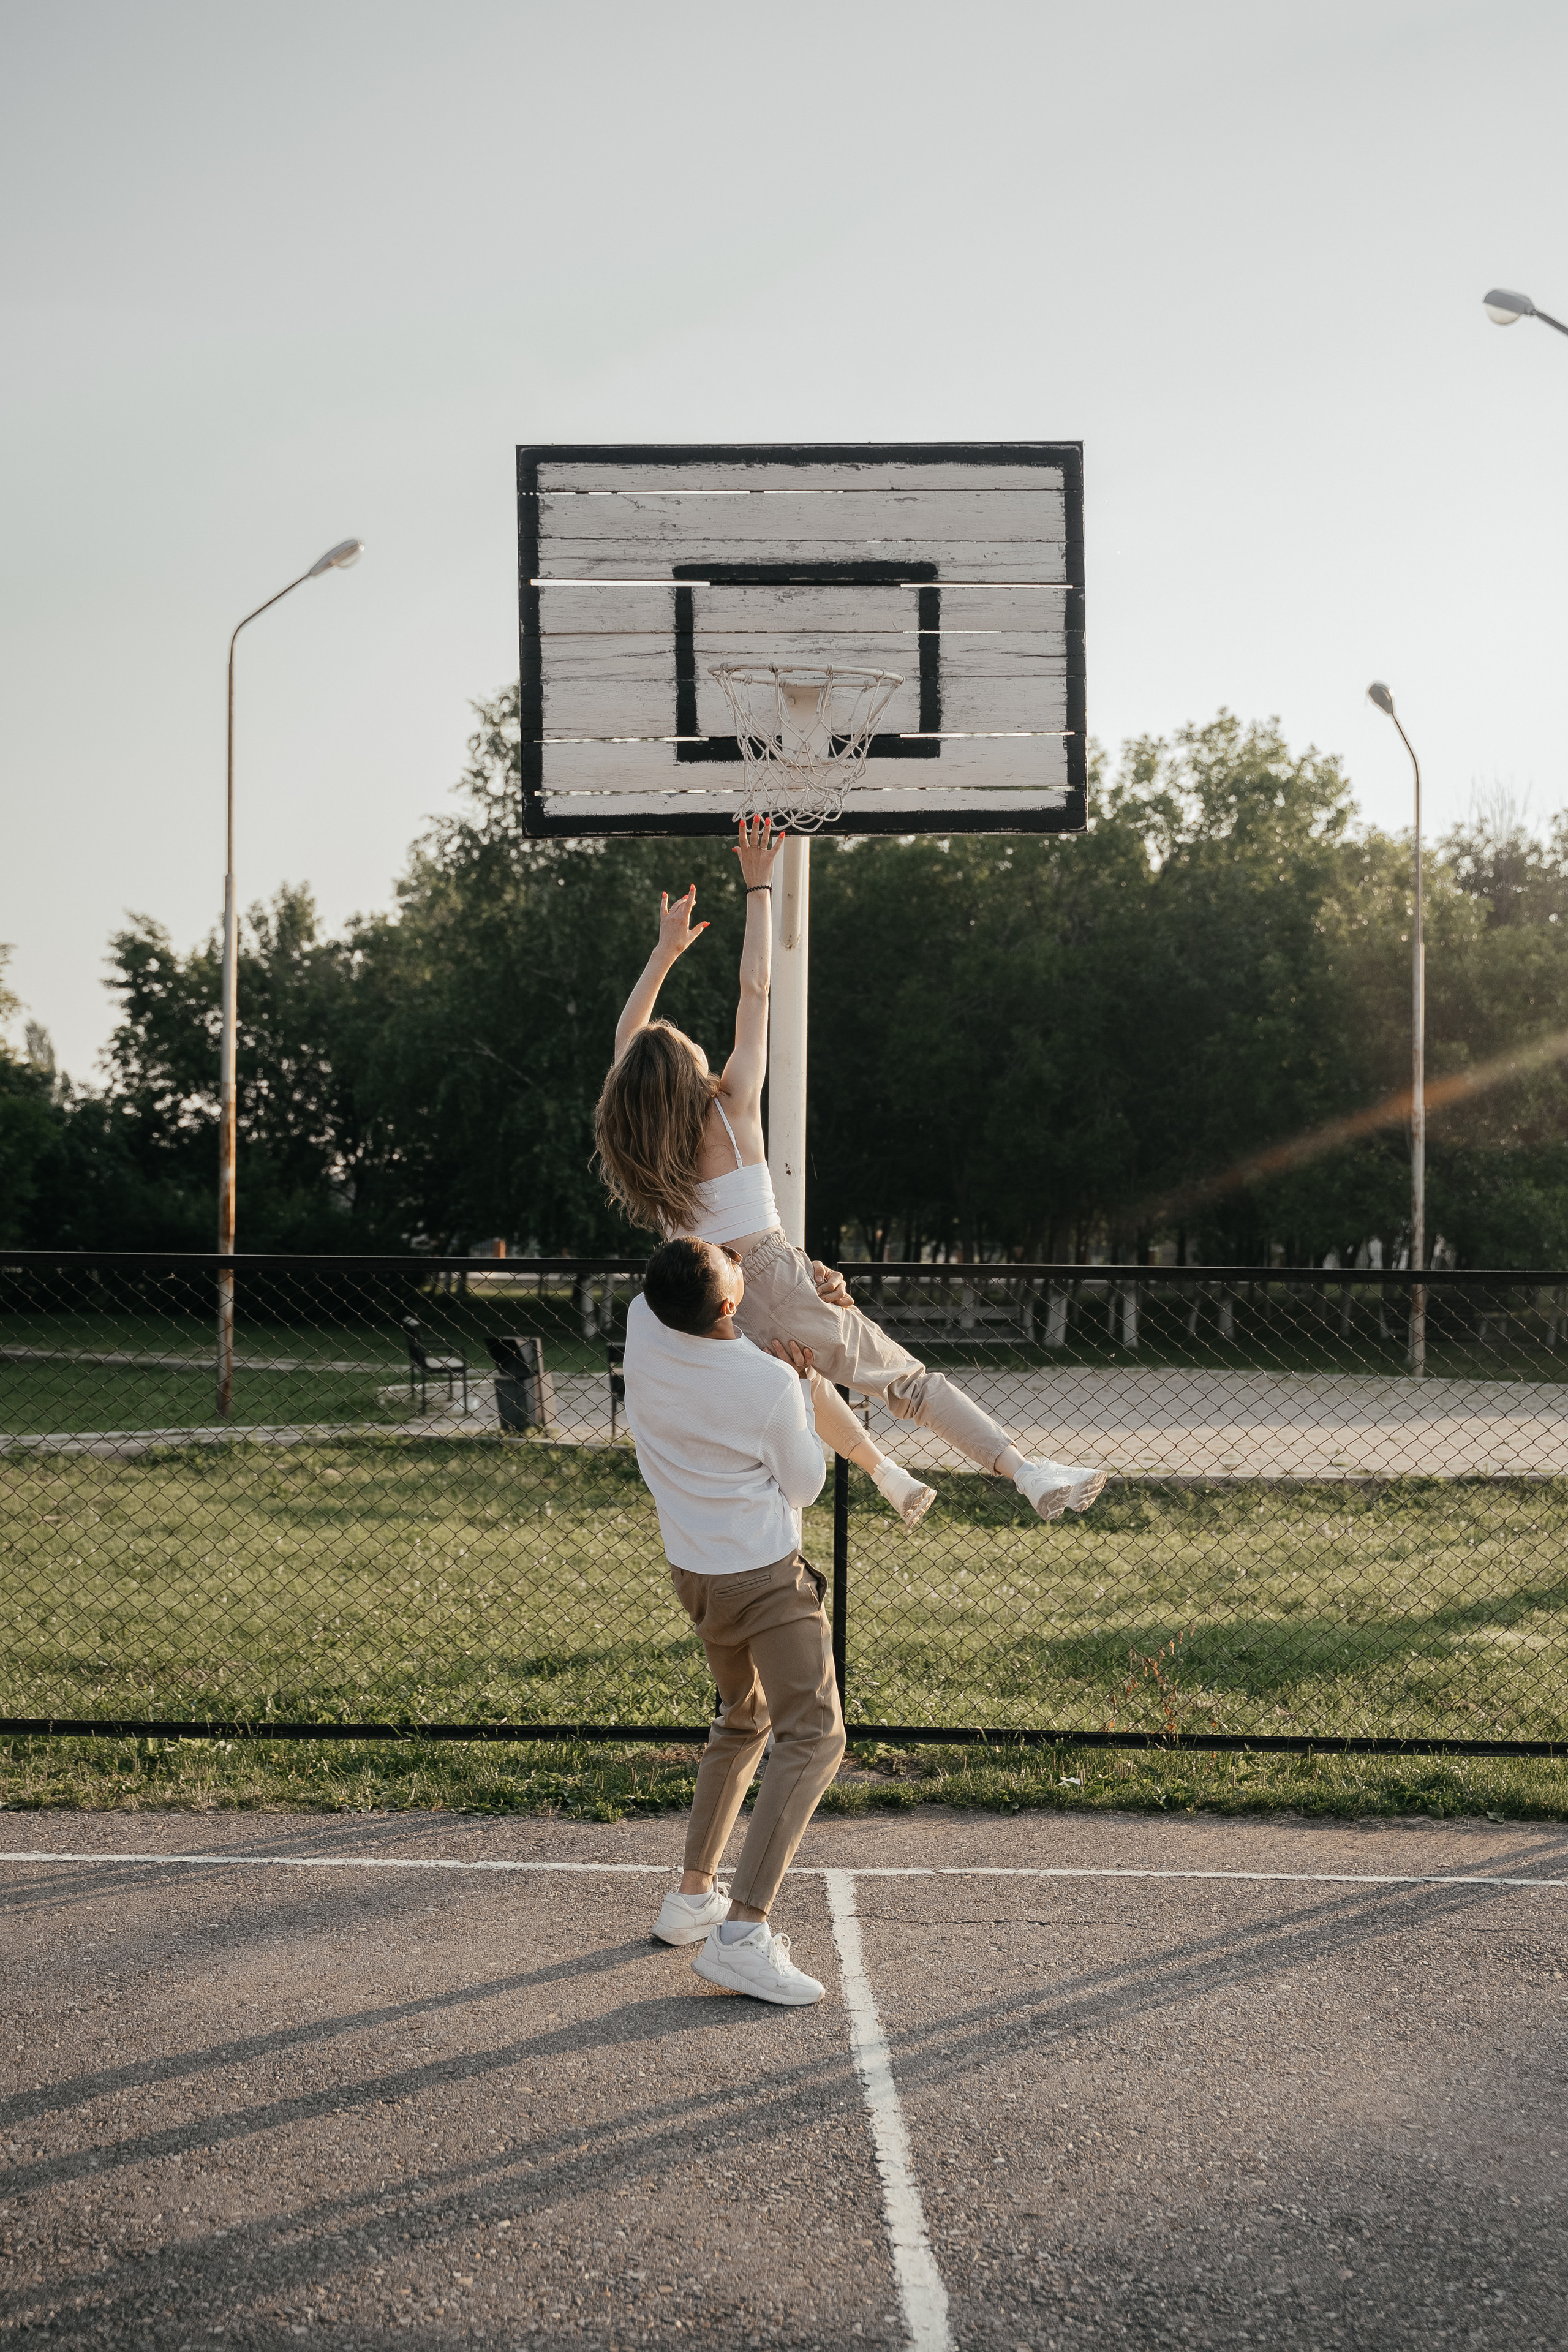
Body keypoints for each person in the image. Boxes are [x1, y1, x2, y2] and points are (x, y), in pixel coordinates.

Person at [592, 815, 1107, 1525]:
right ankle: (1025, 1471)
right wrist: (759, 885)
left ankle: (885, 1472)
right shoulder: (730, 1110)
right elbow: (756, 993)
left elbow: (627, 1044)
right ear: (690, 1070)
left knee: (799, 1379)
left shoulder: (644, 1144)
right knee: (908, 1384)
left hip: (711, 1304)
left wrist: (662, 956)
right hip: (769, 1271)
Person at [627, 1233, 845, 2006]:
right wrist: (807, 1383)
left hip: (695, 1575)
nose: (741, 1262)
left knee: (742, 1717)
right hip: (763, 1579)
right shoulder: (766, 1382)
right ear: (728, 1305)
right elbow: (808, 1484)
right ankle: (743, 1934)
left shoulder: (643, 1326)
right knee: (815, 1735)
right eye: (735, 1269)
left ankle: (693, 1897)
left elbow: (687, 1286)